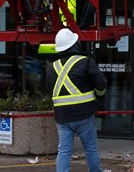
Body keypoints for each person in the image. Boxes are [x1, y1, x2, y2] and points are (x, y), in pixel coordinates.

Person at [46, 28, 107, 172]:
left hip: (63, 117)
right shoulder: (86, 62)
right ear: (75, 44)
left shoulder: (51, 67)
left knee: (64, 151)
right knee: (90, 148)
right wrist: (98, 96)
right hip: (85, 114)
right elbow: (102, 84)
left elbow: (50, 92)